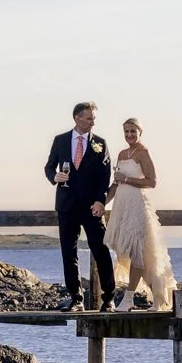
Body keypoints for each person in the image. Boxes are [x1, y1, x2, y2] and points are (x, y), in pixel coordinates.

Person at [43, 101, 116, 311]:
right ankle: (76, 299)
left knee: (100, 250)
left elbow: (105, 175)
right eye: (89, 118)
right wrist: (53, 176)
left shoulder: (100, 143)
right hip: (67, 205)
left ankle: (108, 298)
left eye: (94, 118)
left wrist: (101, 200)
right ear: (77, 118)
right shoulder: (61, 140)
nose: (93, 122)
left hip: (92, 207)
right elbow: (48, 167)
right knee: (69, 252)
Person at [106, 118, 176, 311]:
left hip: (137, 205)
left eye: (133, 132)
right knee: (128, 252)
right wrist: (102, 203)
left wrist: (127, 179)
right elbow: (116, 183)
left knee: (137, 251)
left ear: (140, 133)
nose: (129, 135)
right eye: (127, 132)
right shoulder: (122, 154)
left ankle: (128, 299)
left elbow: (152, 182)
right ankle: (158, 297)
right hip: (122, 205)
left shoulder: (143, 153)